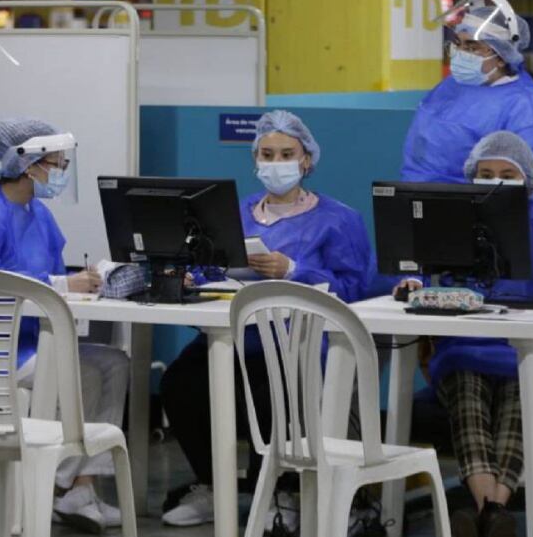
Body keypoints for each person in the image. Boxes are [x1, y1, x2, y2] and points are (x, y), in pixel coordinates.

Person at [160, 110, 374, 534]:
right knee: (180, 383)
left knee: (269, 393)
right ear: (254, 157)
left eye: (287, 154)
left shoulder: (338, 219)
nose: (276, 163)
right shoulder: (232, 213)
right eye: (267, 153)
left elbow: (355, 288)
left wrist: (293, 269)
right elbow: (212, 266)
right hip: (233, 337)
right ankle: (212, 485)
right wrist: (196, 275)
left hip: (298, 345)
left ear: (307, 159)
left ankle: (281, 491)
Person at [395, 131, 533, 537]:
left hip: (532, 353)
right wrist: (415, 282)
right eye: (485, 173)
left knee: (520, 387)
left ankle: (485, 507)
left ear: (528, 181)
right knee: (467, 384)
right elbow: (418, 262)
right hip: (464, 351)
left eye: (506, 174)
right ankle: (495, 511)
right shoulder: (453, 224)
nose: (494, 182)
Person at [0, 118, 130, 533]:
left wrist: (87, 280)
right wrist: (62, 284)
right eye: (56, 163)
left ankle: (81, 487)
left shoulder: (36, 213)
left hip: (26, 339)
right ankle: (50, 485)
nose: (60, 172)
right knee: (82, 371)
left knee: (113, 363)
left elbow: (52, 275)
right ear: (29, 165)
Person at [401, 0, 533, 184]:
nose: (461, 53)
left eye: (472, 47)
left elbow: (517, 180)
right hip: (414, 199)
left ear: (501, 57)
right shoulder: (452, 85)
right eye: (458, 44)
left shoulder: (522, 106)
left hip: (472, 209)